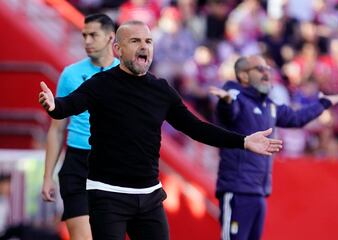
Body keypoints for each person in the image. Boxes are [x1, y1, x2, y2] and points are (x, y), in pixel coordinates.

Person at [38, 21, 282, 240]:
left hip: (150, 195)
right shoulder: (100, 84)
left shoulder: (161, 90)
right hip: (107, 194)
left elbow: (196, 128)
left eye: (148, 41)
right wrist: (53, 106)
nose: (143, 46)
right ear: (118, 49)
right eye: (135, 41)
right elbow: (67, 106)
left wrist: (243, 141)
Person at [209, 55, 338, 240]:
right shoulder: (235, 97)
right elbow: (230, 109)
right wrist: (225, 102)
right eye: (260, 69)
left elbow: (296, 118)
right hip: (237, 189)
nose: (266, 73)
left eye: (268, 68)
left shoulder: (269, 105)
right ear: (243, 76)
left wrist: (323, 104)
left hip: (259, 190)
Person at [41, 13, 119, 240]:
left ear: (110, 37)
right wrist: (48, 177)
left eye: (93, 35)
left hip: (112, 166)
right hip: (76, 165)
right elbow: (56, 129)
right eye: (84, 35)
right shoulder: (70, 74)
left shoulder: (125, 75)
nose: (86, 41)